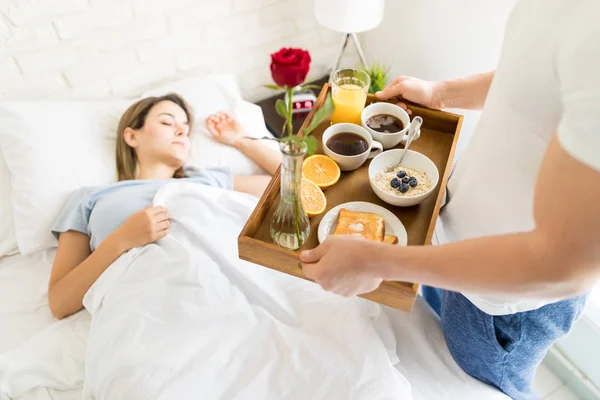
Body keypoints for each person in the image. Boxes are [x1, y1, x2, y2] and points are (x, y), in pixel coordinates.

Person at [301, 1, 600, 398]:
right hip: (447, 244)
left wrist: (377, 261)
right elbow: (536, 78)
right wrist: (439, 94)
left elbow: (565, 264)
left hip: (503, 303)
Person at [48, 93, 282, 320]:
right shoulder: (91, 198)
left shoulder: (204, 180)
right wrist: (121, 240)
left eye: (186, 129)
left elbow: (293, 184)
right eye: (167, 122)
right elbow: (60, 303)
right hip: (147, 308)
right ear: (131, 136)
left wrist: (241, 140)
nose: (181, 130)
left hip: (223, 293)